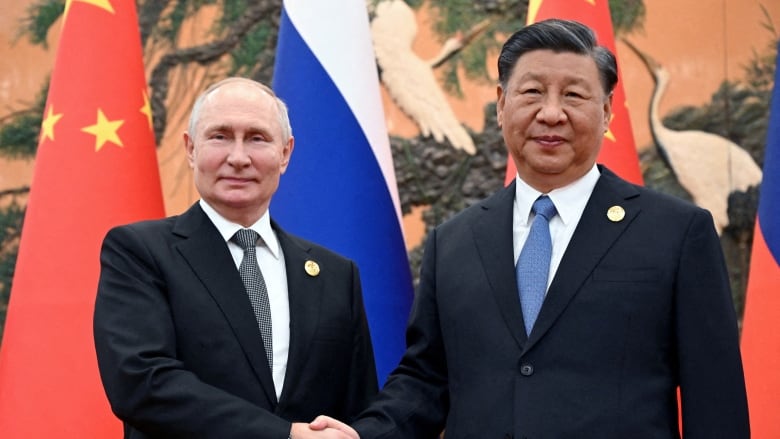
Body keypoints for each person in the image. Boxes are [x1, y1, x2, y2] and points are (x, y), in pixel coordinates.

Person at [311, 18, 750, 438]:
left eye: (574, 95)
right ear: (502, 105)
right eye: (533, 92)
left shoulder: (676, 232)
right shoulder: (456, 241)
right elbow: (426, 380)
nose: (552, 113)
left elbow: (714, 398)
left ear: (607, 111)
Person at [93, 77, 377, 439]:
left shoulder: (336, 276)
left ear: (285, 153)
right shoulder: (139, 252)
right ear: (191, 148)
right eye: (220, 136)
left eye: (257, 138)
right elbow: (141, 384)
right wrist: (284, 435)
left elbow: (358, 408)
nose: (238, 158)